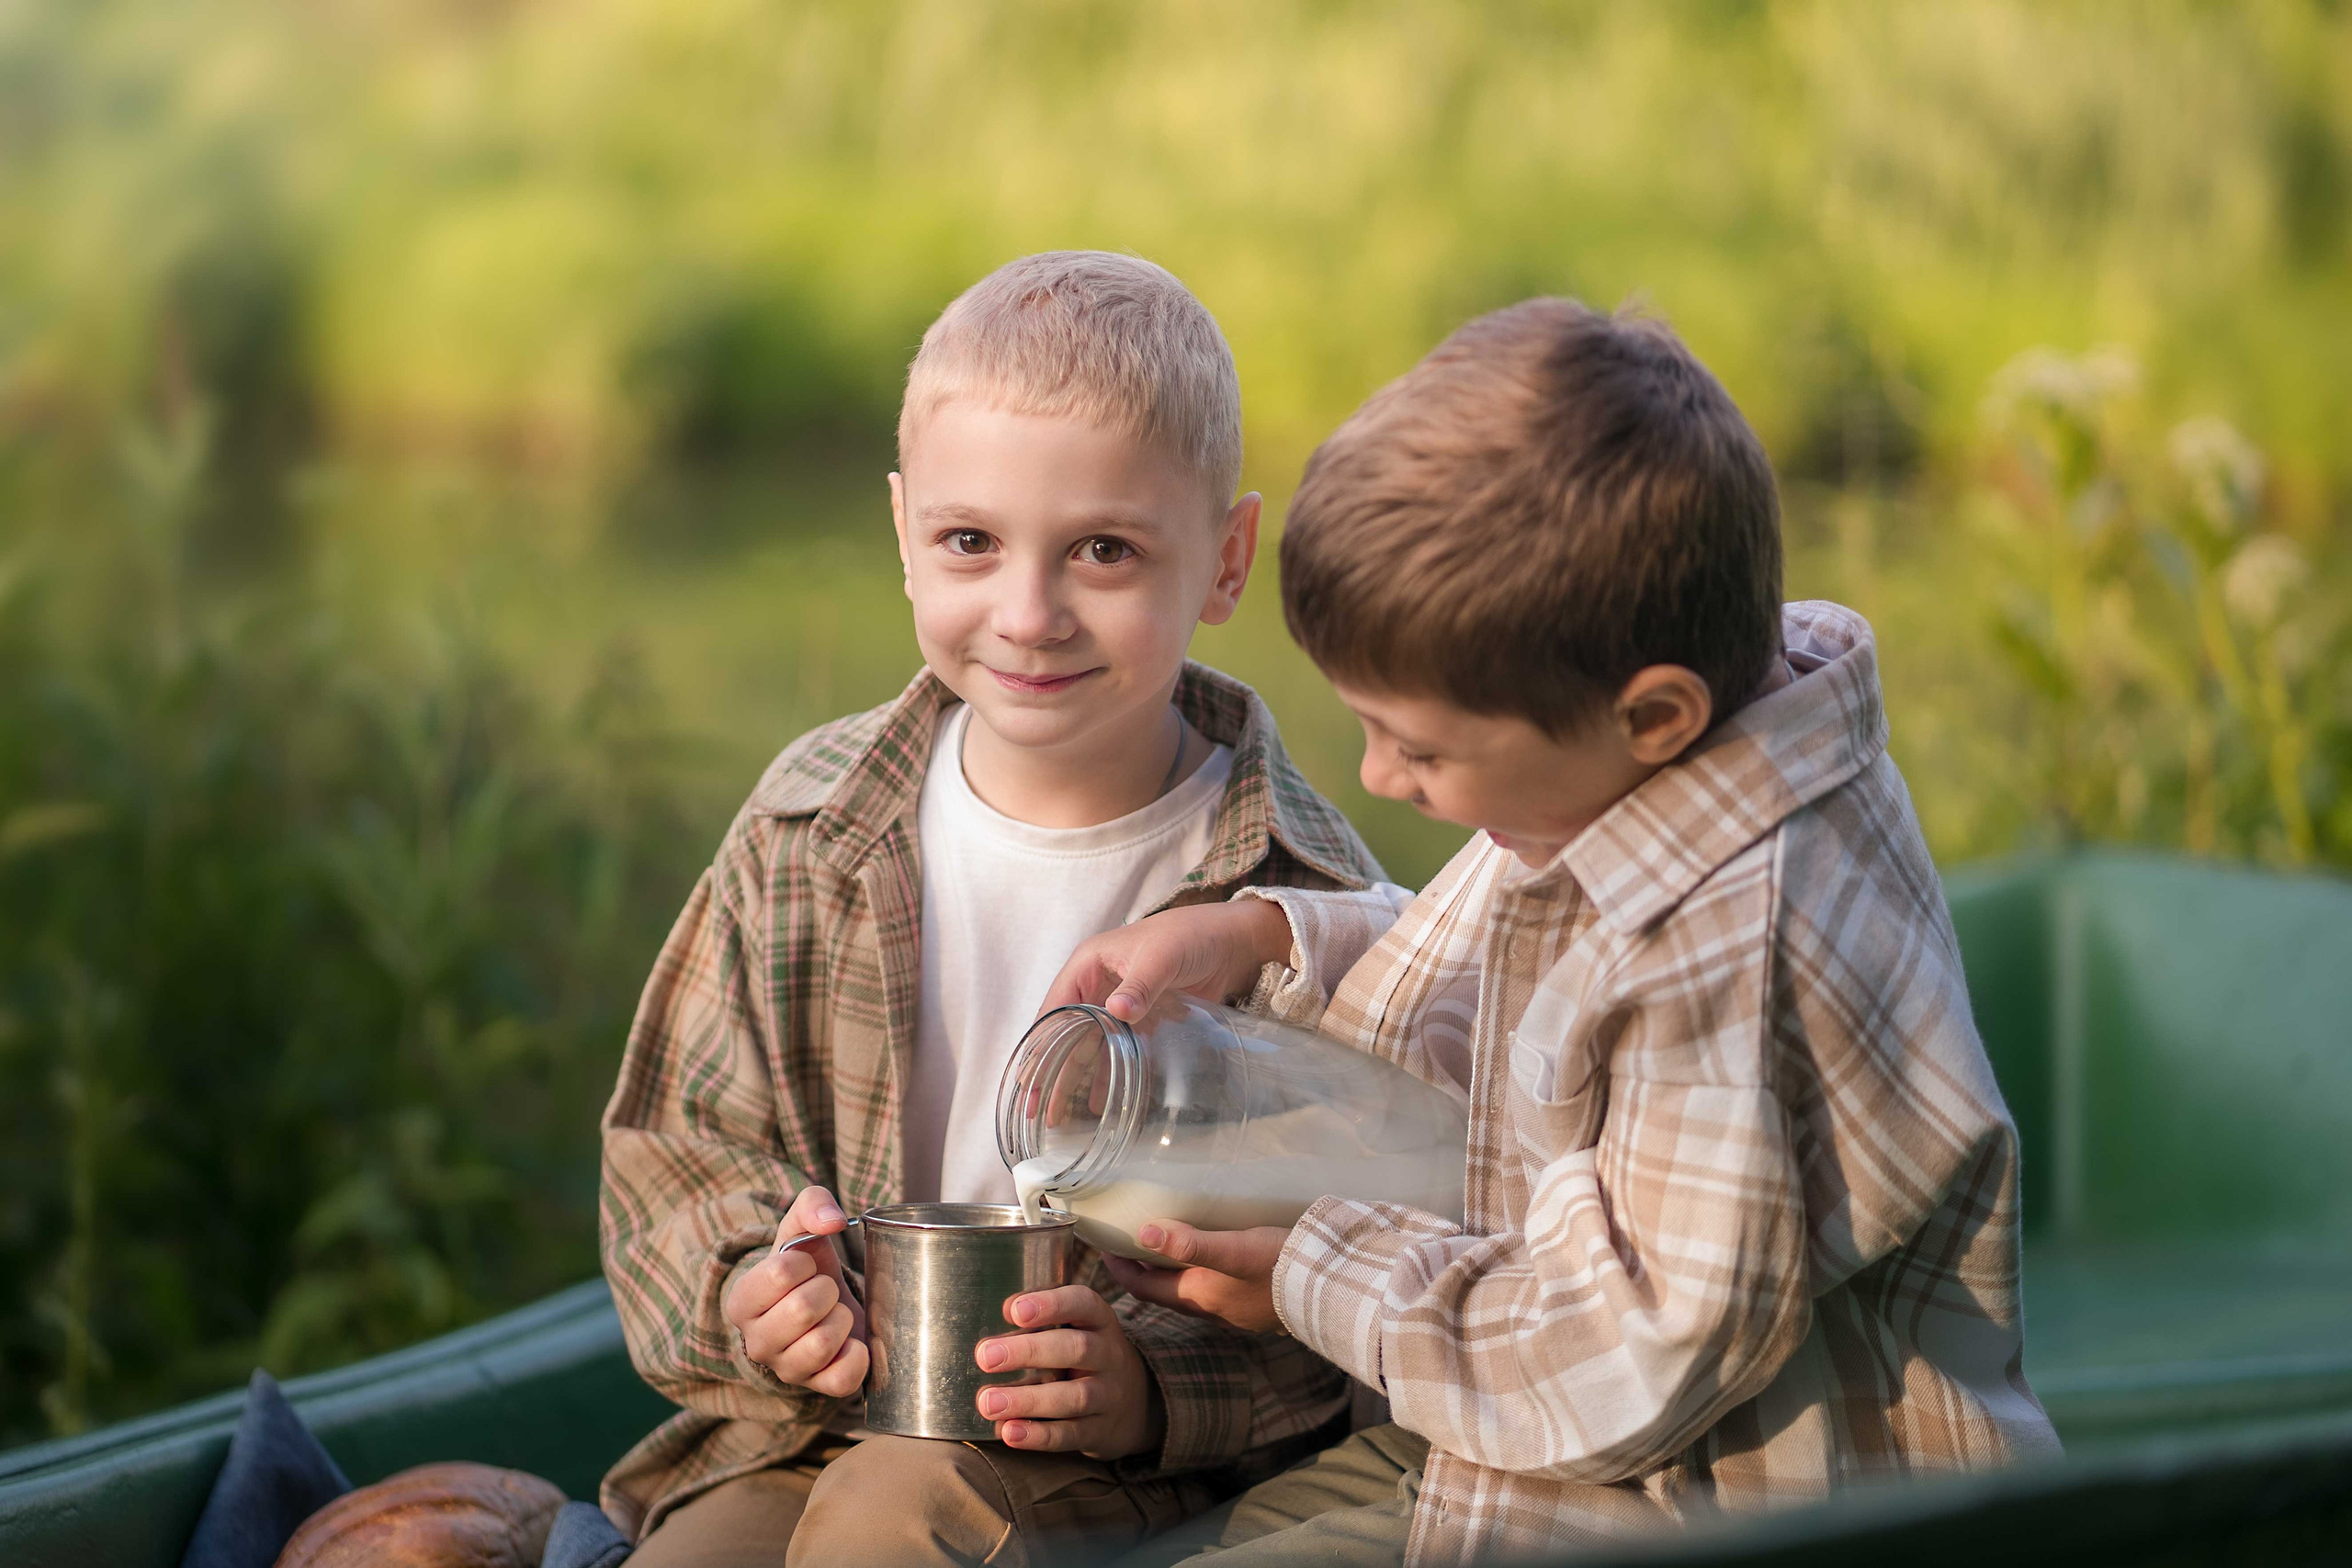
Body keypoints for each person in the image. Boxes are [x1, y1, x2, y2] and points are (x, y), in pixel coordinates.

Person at [1046, 299, 2064, 1566]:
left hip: (1713, 1505)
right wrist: (1263, 936)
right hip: (1513, 1450)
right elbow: (1516, 990)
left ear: (1652, 715)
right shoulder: (1647, 769)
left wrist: (1318, 1270)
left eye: (1417, 747)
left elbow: (1632, 1359)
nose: (1375, 778)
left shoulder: (1734, 956)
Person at [598, 252, 1381, 1567]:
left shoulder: (1294, 904)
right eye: (972, 542)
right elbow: (679, 1154)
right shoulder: (809, 829)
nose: (1028, 614)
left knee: (894, 1521)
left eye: (1105, 551)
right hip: (810, 1420)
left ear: (1227, 560)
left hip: (1115, 1471)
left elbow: (1360, 1274)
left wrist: (1148, 1390)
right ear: (904, 535)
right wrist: (754, 1289)